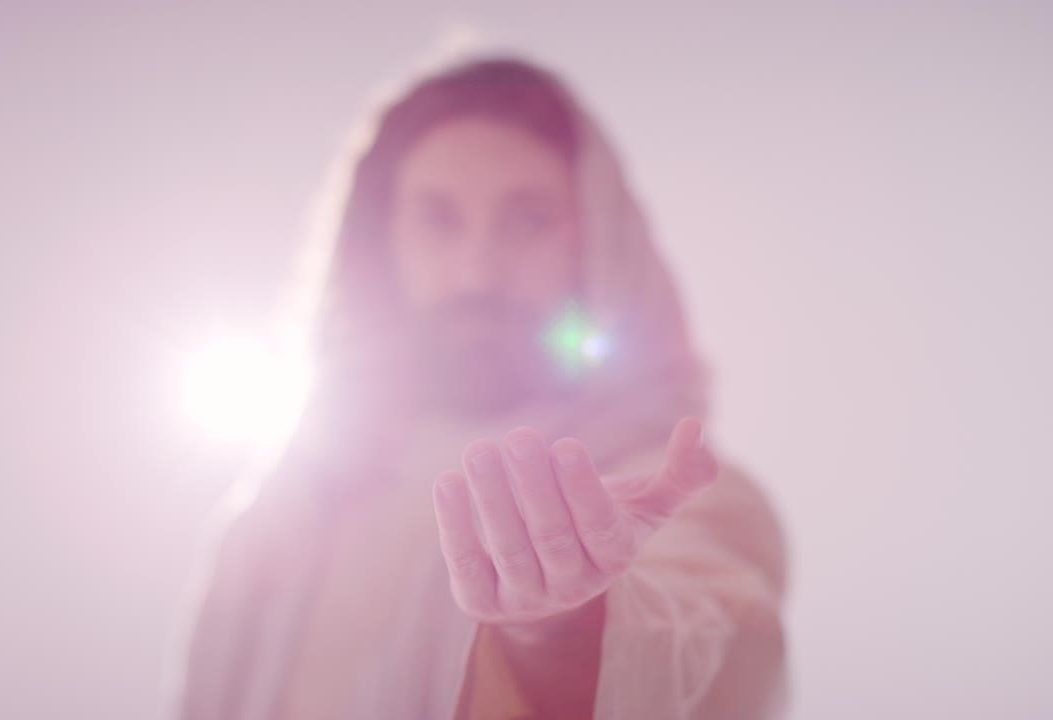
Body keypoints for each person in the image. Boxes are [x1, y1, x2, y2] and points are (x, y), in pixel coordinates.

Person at [176, 55, 789, 720]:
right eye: (438, 220)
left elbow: (700, 648)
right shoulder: (279, 517)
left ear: (598, 249)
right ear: (381, 249)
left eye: (528, 221)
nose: (477, 272)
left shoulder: (674, 497)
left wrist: (561, 632)